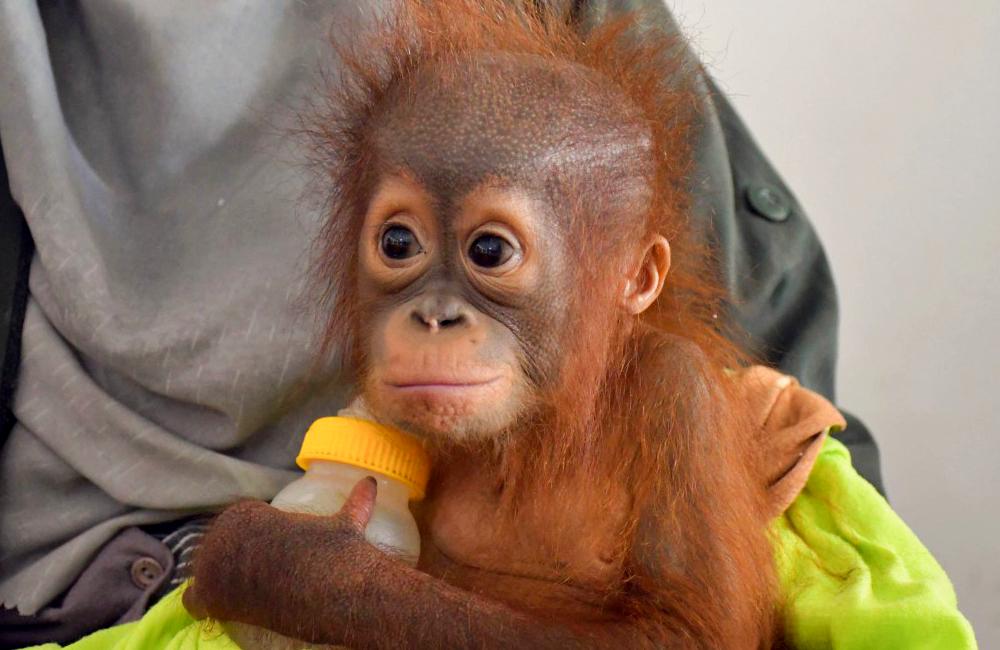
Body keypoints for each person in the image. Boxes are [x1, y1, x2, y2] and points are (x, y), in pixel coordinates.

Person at [0, 1, 911, 647]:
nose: (434, 314)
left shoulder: (667, 394)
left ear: (634, 278)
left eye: (490, 256)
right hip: (78, 591)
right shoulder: (397, 428)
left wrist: (366, 602)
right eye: (398, 244)